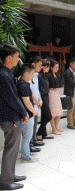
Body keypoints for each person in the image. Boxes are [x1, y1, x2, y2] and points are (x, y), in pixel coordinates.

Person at [0, 44, 28, 190]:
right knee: (11, 148)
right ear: (8, 58)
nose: (19, 60)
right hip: (9, 117)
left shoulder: (7, 72)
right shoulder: (3, 75)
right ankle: (5, 181)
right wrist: (24, 112)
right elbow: (11, 98)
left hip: (11, 116)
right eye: (17, 57)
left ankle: (10, 175)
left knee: (12, 147)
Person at [16, 64, 39, 163]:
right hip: (26, 115)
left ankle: (27, 153)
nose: (33, 75)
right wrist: (33, 111)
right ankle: (26, 157)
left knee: (26, 136)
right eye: (32, 73)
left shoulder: (21, 82)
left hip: (24, 114)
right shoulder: (23, 85)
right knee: (27, 136)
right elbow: (26, 101)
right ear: (26, 73)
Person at [29, 56, 44, 151]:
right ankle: (29, 144)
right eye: (39, 65)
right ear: (33, 64)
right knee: (30, 125)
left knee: (35, 122)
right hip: (31, 103)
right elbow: (29, 91)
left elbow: (36, 89)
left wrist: (40, 100)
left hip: (37, 102)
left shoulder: (36, 75)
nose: (41, 67)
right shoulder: (28, 74)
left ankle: (34, 140)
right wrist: (36, 101)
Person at [37, 60, 54, 140]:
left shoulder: (45, 75)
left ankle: (44, 133)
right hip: (42, 96)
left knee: (44, 116)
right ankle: (39, 132)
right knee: (48, 116)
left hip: (46, 95)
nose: (48, 68)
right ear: (42, 66)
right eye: (47, 66)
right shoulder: (39, 76)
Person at [48, 60, 64, 134]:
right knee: (53, 113)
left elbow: (60, 84)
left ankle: (56, 127)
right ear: (51, 67)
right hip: (51, 93)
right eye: (56, 67)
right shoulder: (49, 75)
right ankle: (54, 129)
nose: (57, 69)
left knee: (59, 112)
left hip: (56, 93)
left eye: (58, 67)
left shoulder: (56, 75)